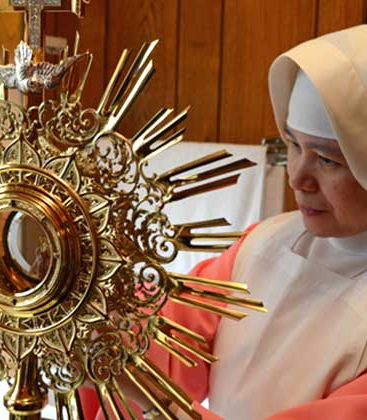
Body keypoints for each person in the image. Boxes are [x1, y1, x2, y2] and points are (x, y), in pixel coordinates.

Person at [84, 24, 367, 419]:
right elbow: (172, 335)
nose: (297, 178)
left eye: (327, 159)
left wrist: (152, 394)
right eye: (293, 144)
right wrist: (96, 308)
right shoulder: (266, 244)